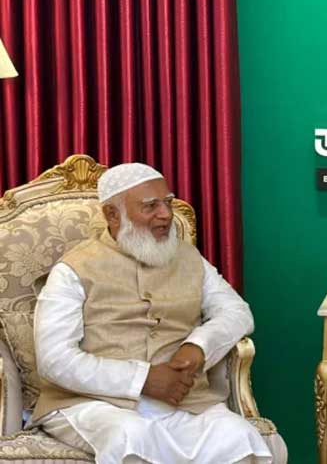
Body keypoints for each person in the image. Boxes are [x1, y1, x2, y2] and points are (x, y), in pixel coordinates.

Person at [30, 163, 272, 464]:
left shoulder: (188, 257)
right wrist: (142, 379)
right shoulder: (73, 269)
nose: (166, 214)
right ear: (112, 215)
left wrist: (199, 346)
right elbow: (54, 359)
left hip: (184, 402)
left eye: (168, 203)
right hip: (94, 403)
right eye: (150, 206)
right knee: (130, 436)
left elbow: (236, 311)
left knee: (238, 437)